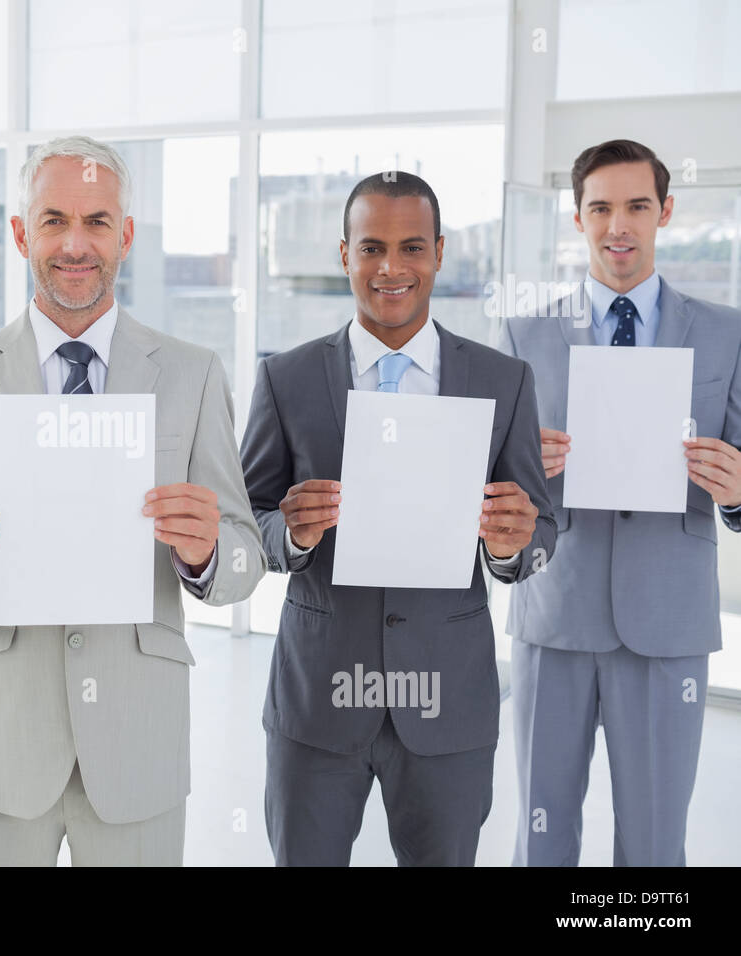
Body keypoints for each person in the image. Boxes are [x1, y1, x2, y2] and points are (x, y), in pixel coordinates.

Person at [0, 135, 265, 866]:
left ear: (124, 235)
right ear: (21, 233)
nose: (74, 243)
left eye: (96, 222)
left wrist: (208, 551)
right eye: (53, 219)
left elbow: (247, 554)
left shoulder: (191, 374)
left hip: (135, 743)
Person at [241, 171, 555, 866]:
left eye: (411, 247)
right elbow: (246, 522)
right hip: (317, 702)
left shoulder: (504, 380)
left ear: (440, 253)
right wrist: (288, 533)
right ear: (344, 254)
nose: (390, 268)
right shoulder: (285, 380)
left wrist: (512, 547)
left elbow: (542, 531)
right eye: (371, 247)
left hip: (449, 704)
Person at [499, 139, 741, 866]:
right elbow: (487, 490)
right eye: (600, 207)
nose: (619, 225)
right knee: (541, 837)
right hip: (554, 615)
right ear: (578, 218)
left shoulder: (727, 333)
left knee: (655, 844)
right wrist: (520, 472)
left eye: (637, 205)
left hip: (668, 626)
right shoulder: (524, 333)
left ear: (665, 211)